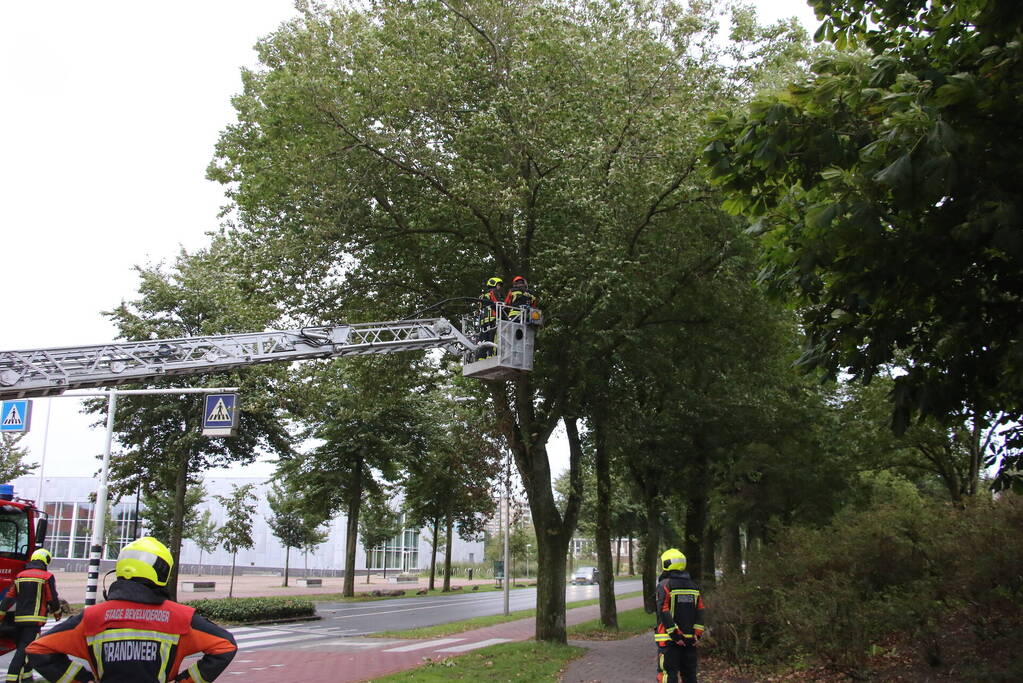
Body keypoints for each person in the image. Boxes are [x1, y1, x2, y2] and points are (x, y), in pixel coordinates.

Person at [27, 536, 237, 683]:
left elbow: (38, 650)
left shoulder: (92, 617)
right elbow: (225, 646)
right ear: (162, 572)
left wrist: (81, 680)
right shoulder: (180, 617)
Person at [0, 548, 61, 683]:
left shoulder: (21, 575)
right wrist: (57, 612)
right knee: (23, 652)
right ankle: (11, 679)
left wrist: (2, 612)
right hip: (34, 621)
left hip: (19, 619)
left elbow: (10, 596)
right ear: (46, 560)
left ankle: (27, 678)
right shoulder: (46, 577)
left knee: (28, 650)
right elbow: (52, 597)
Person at [653, 548, 705, 683]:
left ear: (666, 564)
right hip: (690, 641)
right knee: (689, 676)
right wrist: (697, 634)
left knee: (667, 675)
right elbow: (700, 611)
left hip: (669, 641)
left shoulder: (665, 585)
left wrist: (675, 635)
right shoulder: (694, 586)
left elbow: (663, 611)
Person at [477, 276, 505, 359]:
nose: (499, 287)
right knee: (493, 340)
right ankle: (492, 357)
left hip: (483, 322)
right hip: (493, 319)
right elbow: (498, 304)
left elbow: (480, 308)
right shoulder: (493, 292)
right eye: (498, 285)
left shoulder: (482, 296)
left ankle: (481, 358)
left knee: (483, 341)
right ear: (494, 284)